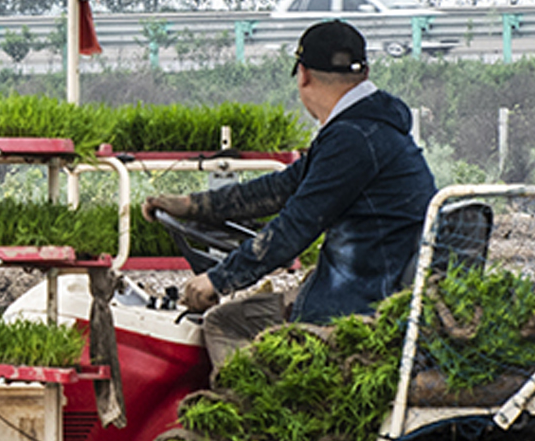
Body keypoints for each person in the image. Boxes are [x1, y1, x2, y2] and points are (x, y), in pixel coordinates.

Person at [145, 18, 438, 368]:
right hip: (371, 284)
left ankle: (260, 418)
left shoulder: (352, 139)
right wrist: (193, 206)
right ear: (365, 72)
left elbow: (295, 226)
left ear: (304, 75)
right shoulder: (369, 127)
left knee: (225, 322)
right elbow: (282, 187)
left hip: (356, 302)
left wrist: (218, 280)